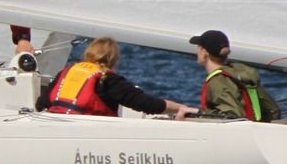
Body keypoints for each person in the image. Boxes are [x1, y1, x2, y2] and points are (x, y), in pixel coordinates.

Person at [43, 38, 195, 118]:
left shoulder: (66, 72)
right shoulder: (107, 79)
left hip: (61, 126)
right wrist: (180, 107)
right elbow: (146, 104)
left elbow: (42, 103)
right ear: (113, 59)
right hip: (89, 135)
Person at [190, 29, 283, 121]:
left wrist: (197, 113)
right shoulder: (241, 75)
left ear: (203, 51)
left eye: (198, 47)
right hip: (255, 130)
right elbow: (273, 110)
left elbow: (233, 116)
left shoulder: (218, 81)